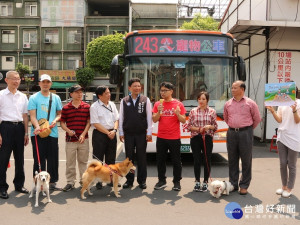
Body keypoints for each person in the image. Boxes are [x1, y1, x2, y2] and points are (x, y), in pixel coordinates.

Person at [223, 80, 261, 195]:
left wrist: (247, 129)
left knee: (246, 159)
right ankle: (233, 184)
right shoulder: (228, 103)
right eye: (232, 88)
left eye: (235, 88)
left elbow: (257, 119)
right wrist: (234, 127)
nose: (232, 90)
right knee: (232, 159)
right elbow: (226, 117)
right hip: (231, 133)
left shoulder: (250, 103)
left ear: (242, 89)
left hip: (246, 133)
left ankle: (244, 185)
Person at [28, 74, 62, 191]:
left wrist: (55, 120)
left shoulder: (56, 98)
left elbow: (59, 114)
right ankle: (38, 183)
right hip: (37, 133)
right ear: (39, 83)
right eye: (43, 82)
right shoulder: (33, 98)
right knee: (39, 159)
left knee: (53, 158)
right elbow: (32, 116)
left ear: (51, 83)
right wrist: (37, 127)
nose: (46, 84)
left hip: (52, 133)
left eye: (48, 82)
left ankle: (52, 183)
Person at [266, 85, 300, 198]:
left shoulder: (298, 103)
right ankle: (284, 186)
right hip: (282, 136)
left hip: (294, 138)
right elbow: (279, 120)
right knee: (282, 163)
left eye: (289, 90)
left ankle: (289, 188)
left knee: (291, 164)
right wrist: (272, 111)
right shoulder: (281, 104)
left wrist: (294, 109)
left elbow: (297, 121)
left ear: (294, 91)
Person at [0, 71, 29, 199]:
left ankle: (19, 185)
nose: (16, 81)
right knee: (3, 159)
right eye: (13, 79)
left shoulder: (23, 96)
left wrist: (26, 132)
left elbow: (25, 115)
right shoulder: (1, 95)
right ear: (6, 80)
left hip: (19, 128)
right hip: (5, 128)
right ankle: (2, 187)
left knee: (19, 158)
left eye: (18, 79)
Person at [119, 78, 152, 189]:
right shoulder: (124, 100)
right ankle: (129, 180)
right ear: (130, 88)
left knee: (141, 157)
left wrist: (149, 132)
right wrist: (121, 132)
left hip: (141, 134)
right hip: (128, 134)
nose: (137, 88)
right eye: (135, 86)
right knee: (129, 158)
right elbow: (121, 117)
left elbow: (149, 117)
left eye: (139, 86)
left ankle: (142, 181)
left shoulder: (145, 100)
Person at [152, 82, 186, 191]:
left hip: (174, 137)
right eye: (161, 90)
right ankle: (161, 180)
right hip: (161, 137)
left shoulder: (178, 104)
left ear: (171, 91)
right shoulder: (158, 104)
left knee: (176, 161)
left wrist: (177, 114)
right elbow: (154, 119)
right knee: (160, 160)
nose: (162, 92)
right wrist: (159, 112)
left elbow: (183, 120)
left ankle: (177, 182)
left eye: (165, 90)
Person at [60, 85, 91, 192]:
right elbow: (62, 122)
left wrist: (83, 134)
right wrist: (68, 131)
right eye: (77, 92)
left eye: (81, 92)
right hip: (70, 141)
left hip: (84, 139)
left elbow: (88, 122)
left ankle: (84, 181)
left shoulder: (87, 106)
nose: (79, 94)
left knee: (83, 162)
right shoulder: (66, 108)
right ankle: (70, 182)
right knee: (70, 162)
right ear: (71, 94)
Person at [186, 91, 218, 192]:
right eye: (199, 99)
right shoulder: (193, 111)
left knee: (207, 159)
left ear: (207, 100)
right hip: (195, 138)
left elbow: (215, 126)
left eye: (203, 99)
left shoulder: (212, 111)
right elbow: (188, 126)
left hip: (207, 138)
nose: (201, 101)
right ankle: (197, 181)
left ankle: (205, 182)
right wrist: (198, 129)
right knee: (197, 160)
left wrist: (209, 126)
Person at [90, 86, 119, 189]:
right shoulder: (94, 107)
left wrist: (114, 131)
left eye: (109, 92)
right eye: (106, 93)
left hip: (112, 133)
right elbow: (96, 123)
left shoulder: (112, 104)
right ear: (100, 96)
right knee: (98, 158)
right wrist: (108, 132)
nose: (109, 95)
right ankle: (98, 180)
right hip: (100, 134)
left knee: (111, 158)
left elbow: (116, 119)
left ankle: (110, 179)